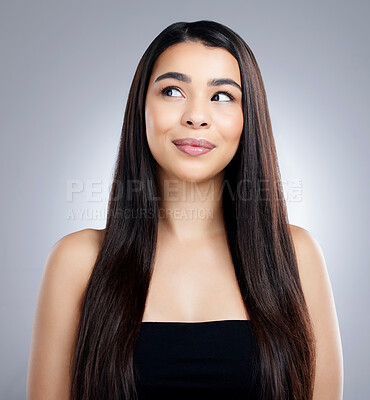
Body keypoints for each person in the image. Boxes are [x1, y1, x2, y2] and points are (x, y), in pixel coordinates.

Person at [26, 20, 343, 400]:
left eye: (223, 96)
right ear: (141, 109)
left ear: (248, 118)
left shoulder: (295, 255)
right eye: (173, 90)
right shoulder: (77, 261)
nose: (196, 116)